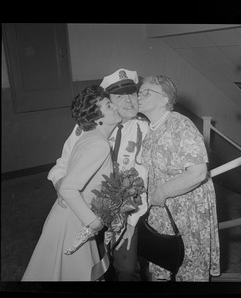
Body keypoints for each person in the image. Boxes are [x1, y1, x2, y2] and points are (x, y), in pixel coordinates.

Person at [47, 68, 149, 281]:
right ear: (107, 101)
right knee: (90, 268)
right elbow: (61, 166)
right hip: (85, 212)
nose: (128, 101)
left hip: (127, 214)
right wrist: (61, 186)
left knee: (127, 269)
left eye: (132, 94)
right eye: (119, 97)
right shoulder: (86, 128)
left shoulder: (146, 128)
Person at [22, 85, 121, 281]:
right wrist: (93, 222)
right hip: (74, 222)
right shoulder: (99, 145)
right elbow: (68, 188)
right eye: (109, 105)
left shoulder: (88, 138)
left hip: (69, 216)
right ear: (96, 118)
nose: (116, 107)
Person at [138, 75, 220, 282]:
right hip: (162, 208)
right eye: (140, 91)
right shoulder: (151, 127)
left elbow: (198, 173)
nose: (140, 95)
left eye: (147, 92)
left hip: (187, 209)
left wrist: (162, 192)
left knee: (188, 268)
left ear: (164, 100)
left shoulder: (180, 125)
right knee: (161, 262)